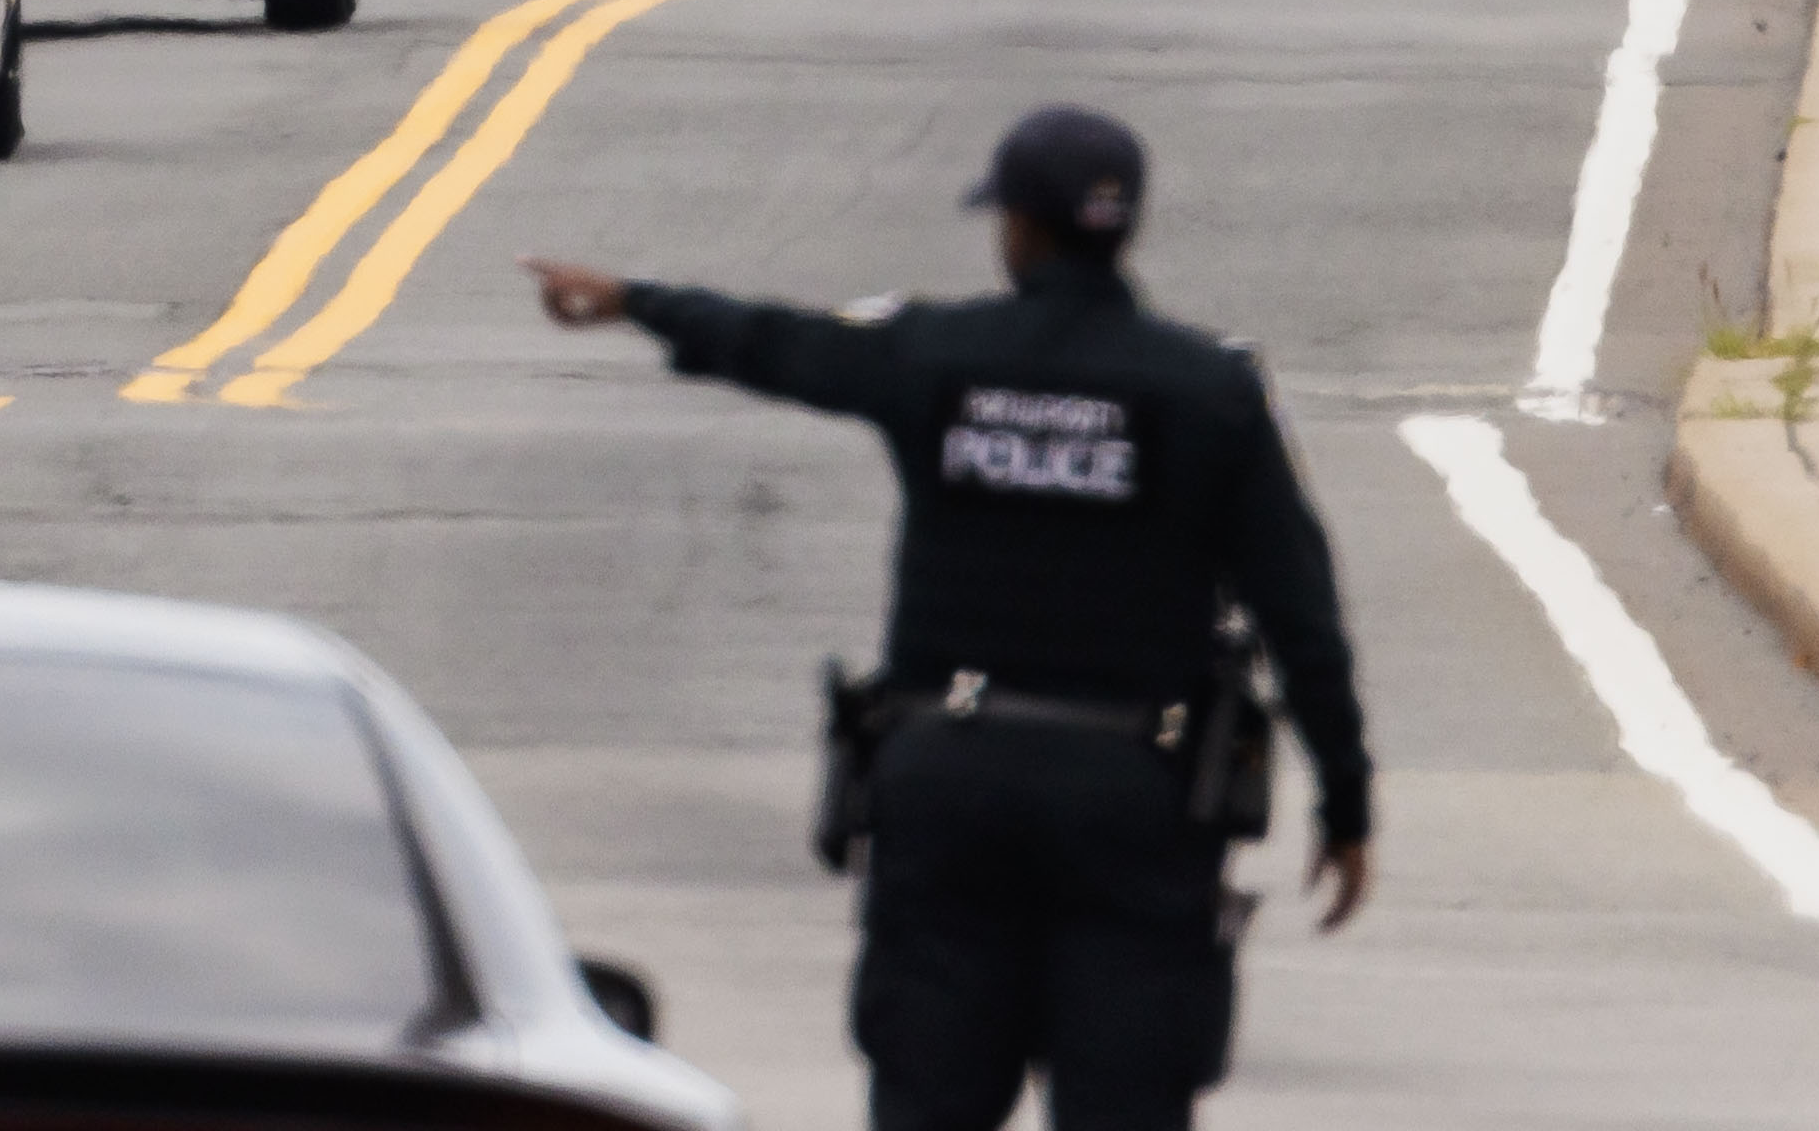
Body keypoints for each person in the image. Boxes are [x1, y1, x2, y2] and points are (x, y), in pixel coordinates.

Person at [526, 106, 1370, 1131]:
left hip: (950, 787)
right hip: (1135, 803)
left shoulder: (938, 355)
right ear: (1125, 229)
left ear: (1016, 227)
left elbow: (781, 345)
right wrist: (1345, 803)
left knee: (929, 1100)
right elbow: (1299, 616)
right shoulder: (1208, 392)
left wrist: (635, 302)